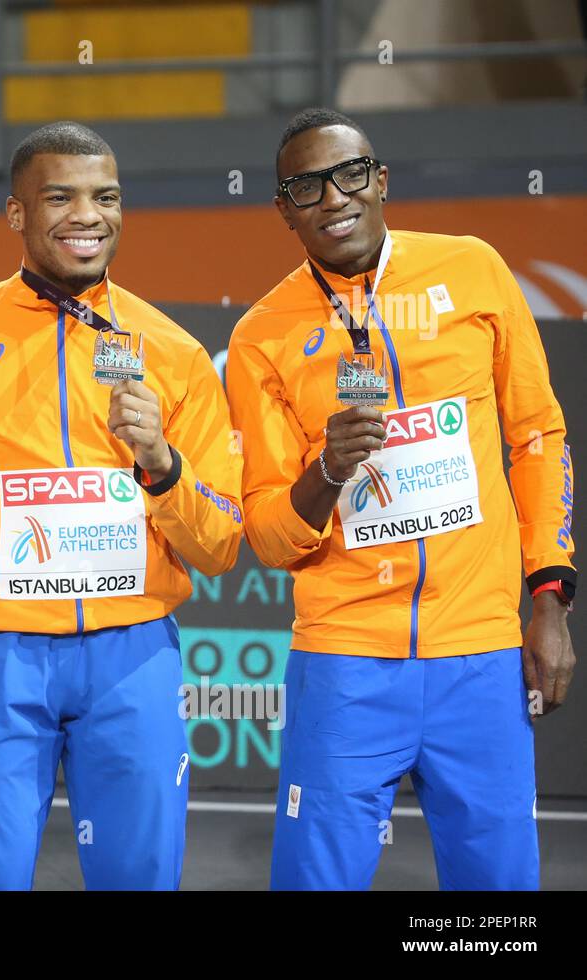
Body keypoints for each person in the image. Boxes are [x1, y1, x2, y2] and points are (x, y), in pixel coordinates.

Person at [226, 107, 575, 890]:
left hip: (479, 652)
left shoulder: (475, 270)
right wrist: (325, 470)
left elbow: (537, 437)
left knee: (498, 899)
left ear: (381, 181)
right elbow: (275, 536)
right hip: (346, 660)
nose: (333, 198)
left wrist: (549, 599)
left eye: (350, 174)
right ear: (283, 210)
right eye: (305, 187)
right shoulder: (260, 337)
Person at [0, 122, 243, 889]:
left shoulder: (176, 353)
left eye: (105, 197)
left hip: (131, 656)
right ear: (17, 213)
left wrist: (161, 465)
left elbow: (220, 544)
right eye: (60, 197)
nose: (87, 215)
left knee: (141, 877)